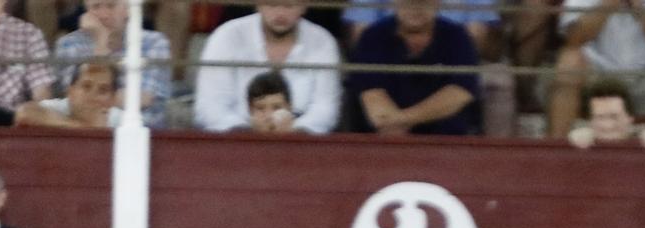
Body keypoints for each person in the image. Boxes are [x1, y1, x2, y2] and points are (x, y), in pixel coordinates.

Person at [194, 3, 341, 134]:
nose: (280, 13)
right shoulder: (227, 36)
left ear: (304, 6)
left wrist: (295, 132)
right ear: (258, 4)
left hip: (301, 146)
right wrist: (246, 133)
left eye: (288, 6)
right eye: (272, 4)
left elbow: (325, 108)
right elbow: (211, 105)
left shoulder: (322, 41)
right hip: (234, 144)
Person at [551, 0, 645, 140]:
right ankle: (556, 149)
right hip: (598, 71)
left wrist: (640, 7)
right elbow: (573, 39)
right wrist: (609, 3)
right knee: (570, 61)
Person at [345, 0, 482, 136]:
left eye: (422, 3)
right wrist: (394, 124)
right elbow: (373, 100)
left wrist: (403, 119)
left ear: (437, 3)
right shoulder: (372, 36)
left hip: (448, 144)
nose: (415, 9)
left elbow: (460, 92)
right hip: (383, 142)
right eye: (408, 2)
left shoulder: (457, 36)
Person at [51, 0, 170, 127]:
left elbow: (142, 99)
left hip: (145, 131)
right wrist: (101, 41)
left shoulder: (154, 42)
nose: (103, 15)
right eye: (96, 7)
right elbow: (76, 99)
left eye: (111, 6)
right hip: (84, 129)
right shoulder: (69, 44)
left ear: (128, 9)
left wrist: (94, 97)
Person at [15, 59, 120, 127]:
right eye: (86, 86)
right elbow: (24, 112)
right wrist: (83, 128)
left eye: (103, 90)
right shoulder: (59, 107)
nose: (93, 95)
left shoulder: (121, 120)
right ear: (70, 92)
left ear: (113, 99)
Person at [567, 76, 645, 147]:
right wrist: (571, 142)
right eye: (600, 117)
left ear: (630, 118)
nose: (608, 125)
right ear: (590, 120)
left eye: (614, 117)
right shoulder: (578, 136)